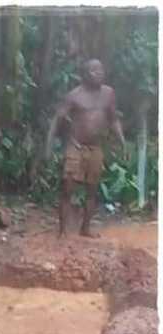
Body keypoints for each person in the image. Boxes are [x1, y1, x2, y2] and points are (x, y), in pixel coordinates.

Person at [44, 58, 127, 238]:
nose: (99, 73)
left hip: (95, 148)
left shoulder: (108, 93)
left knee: (92, 190)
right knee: (68, 188)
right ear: (85, 75)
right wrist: (48, 147)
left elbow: (113, 119)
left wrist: (122, 142)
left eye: (101, 69)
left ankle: (85, 228)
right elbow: (57, 119)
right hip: (76, 147)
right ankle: (63, 231)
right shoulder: (74, 95)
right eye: (94, 70)